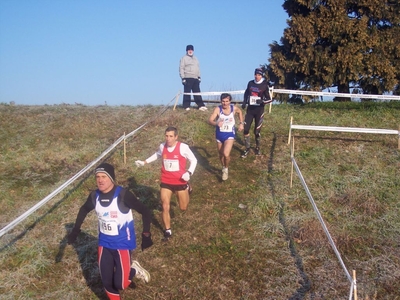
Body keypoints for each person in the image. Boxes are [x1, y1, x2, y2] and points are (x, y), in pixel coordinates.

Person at [68, 163, 153, 300]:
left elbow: (145, 211)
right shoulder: (94, 196)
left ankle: (133, 269)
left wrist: (146, 234)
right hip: (104, 244)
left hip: (122, 244)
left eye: (104, 177)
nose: (100, 180)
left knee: (121, 284)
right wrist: (75, 230)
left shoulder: (123, 195)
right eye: (97, 177)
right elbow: (83, 209)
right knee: (107, 282)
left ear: (111, 178)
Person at [135, 126, 197, 240]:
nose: (168, 139)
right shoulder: (162, 146)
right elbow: (157, 154)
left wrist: (189, 172)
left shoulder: (183, 147)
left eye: (171, 136)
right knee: (165, 206)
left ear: (176, 137)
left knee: (183, 207)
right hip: (166, 180)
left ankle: (188, 187)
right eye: (166, 136)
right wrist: (144, 162)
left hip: (180, 181)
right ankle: (168, 230)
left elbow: (194, 160)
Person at [208, 93, 244, 181]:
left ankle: (226, 169)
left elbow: (240, 112)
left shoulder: (233, 108)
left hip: (229, 134)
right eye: (223, 101)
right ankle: (223, 167)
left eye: (227, 101)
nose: (225, 103)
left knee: (226, 154)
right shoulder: (218, 109)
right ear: (221, 101)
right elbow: (210, 120)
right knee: (221, 155)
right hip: (219, 135)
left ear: (230, 101)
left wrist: (241, 123)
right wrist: (216, 123)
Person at [241, 68, 272, 157]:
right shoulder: (250, 83)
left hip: (259, 111)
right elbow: (246, 93)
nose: (257, 77)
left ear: (261, 75)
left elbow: (269, 99)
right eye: (256, 75)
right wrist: (244, 101)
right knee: (246, 129)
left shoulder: (264, 84)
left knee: (257, 131)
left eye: (259, 75)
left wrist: (262, 101)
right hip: (250, 110)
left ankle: (257, 148)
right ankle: (247, 148)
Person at [179, 44, 207, 111]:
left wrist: (199, 76)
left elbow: (198, 68)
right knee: (187, 92)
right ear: (186, 50)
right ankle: (186, 106)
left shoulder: (196, 58)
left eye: (191, 49)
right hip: (188, 77)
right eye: (189, 50)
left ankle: (200, 105)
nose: (190, 51)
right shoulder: (184, 58)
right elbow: (181, 68)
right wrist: (183, 78)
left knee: (197, 92)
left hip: (195, 78)